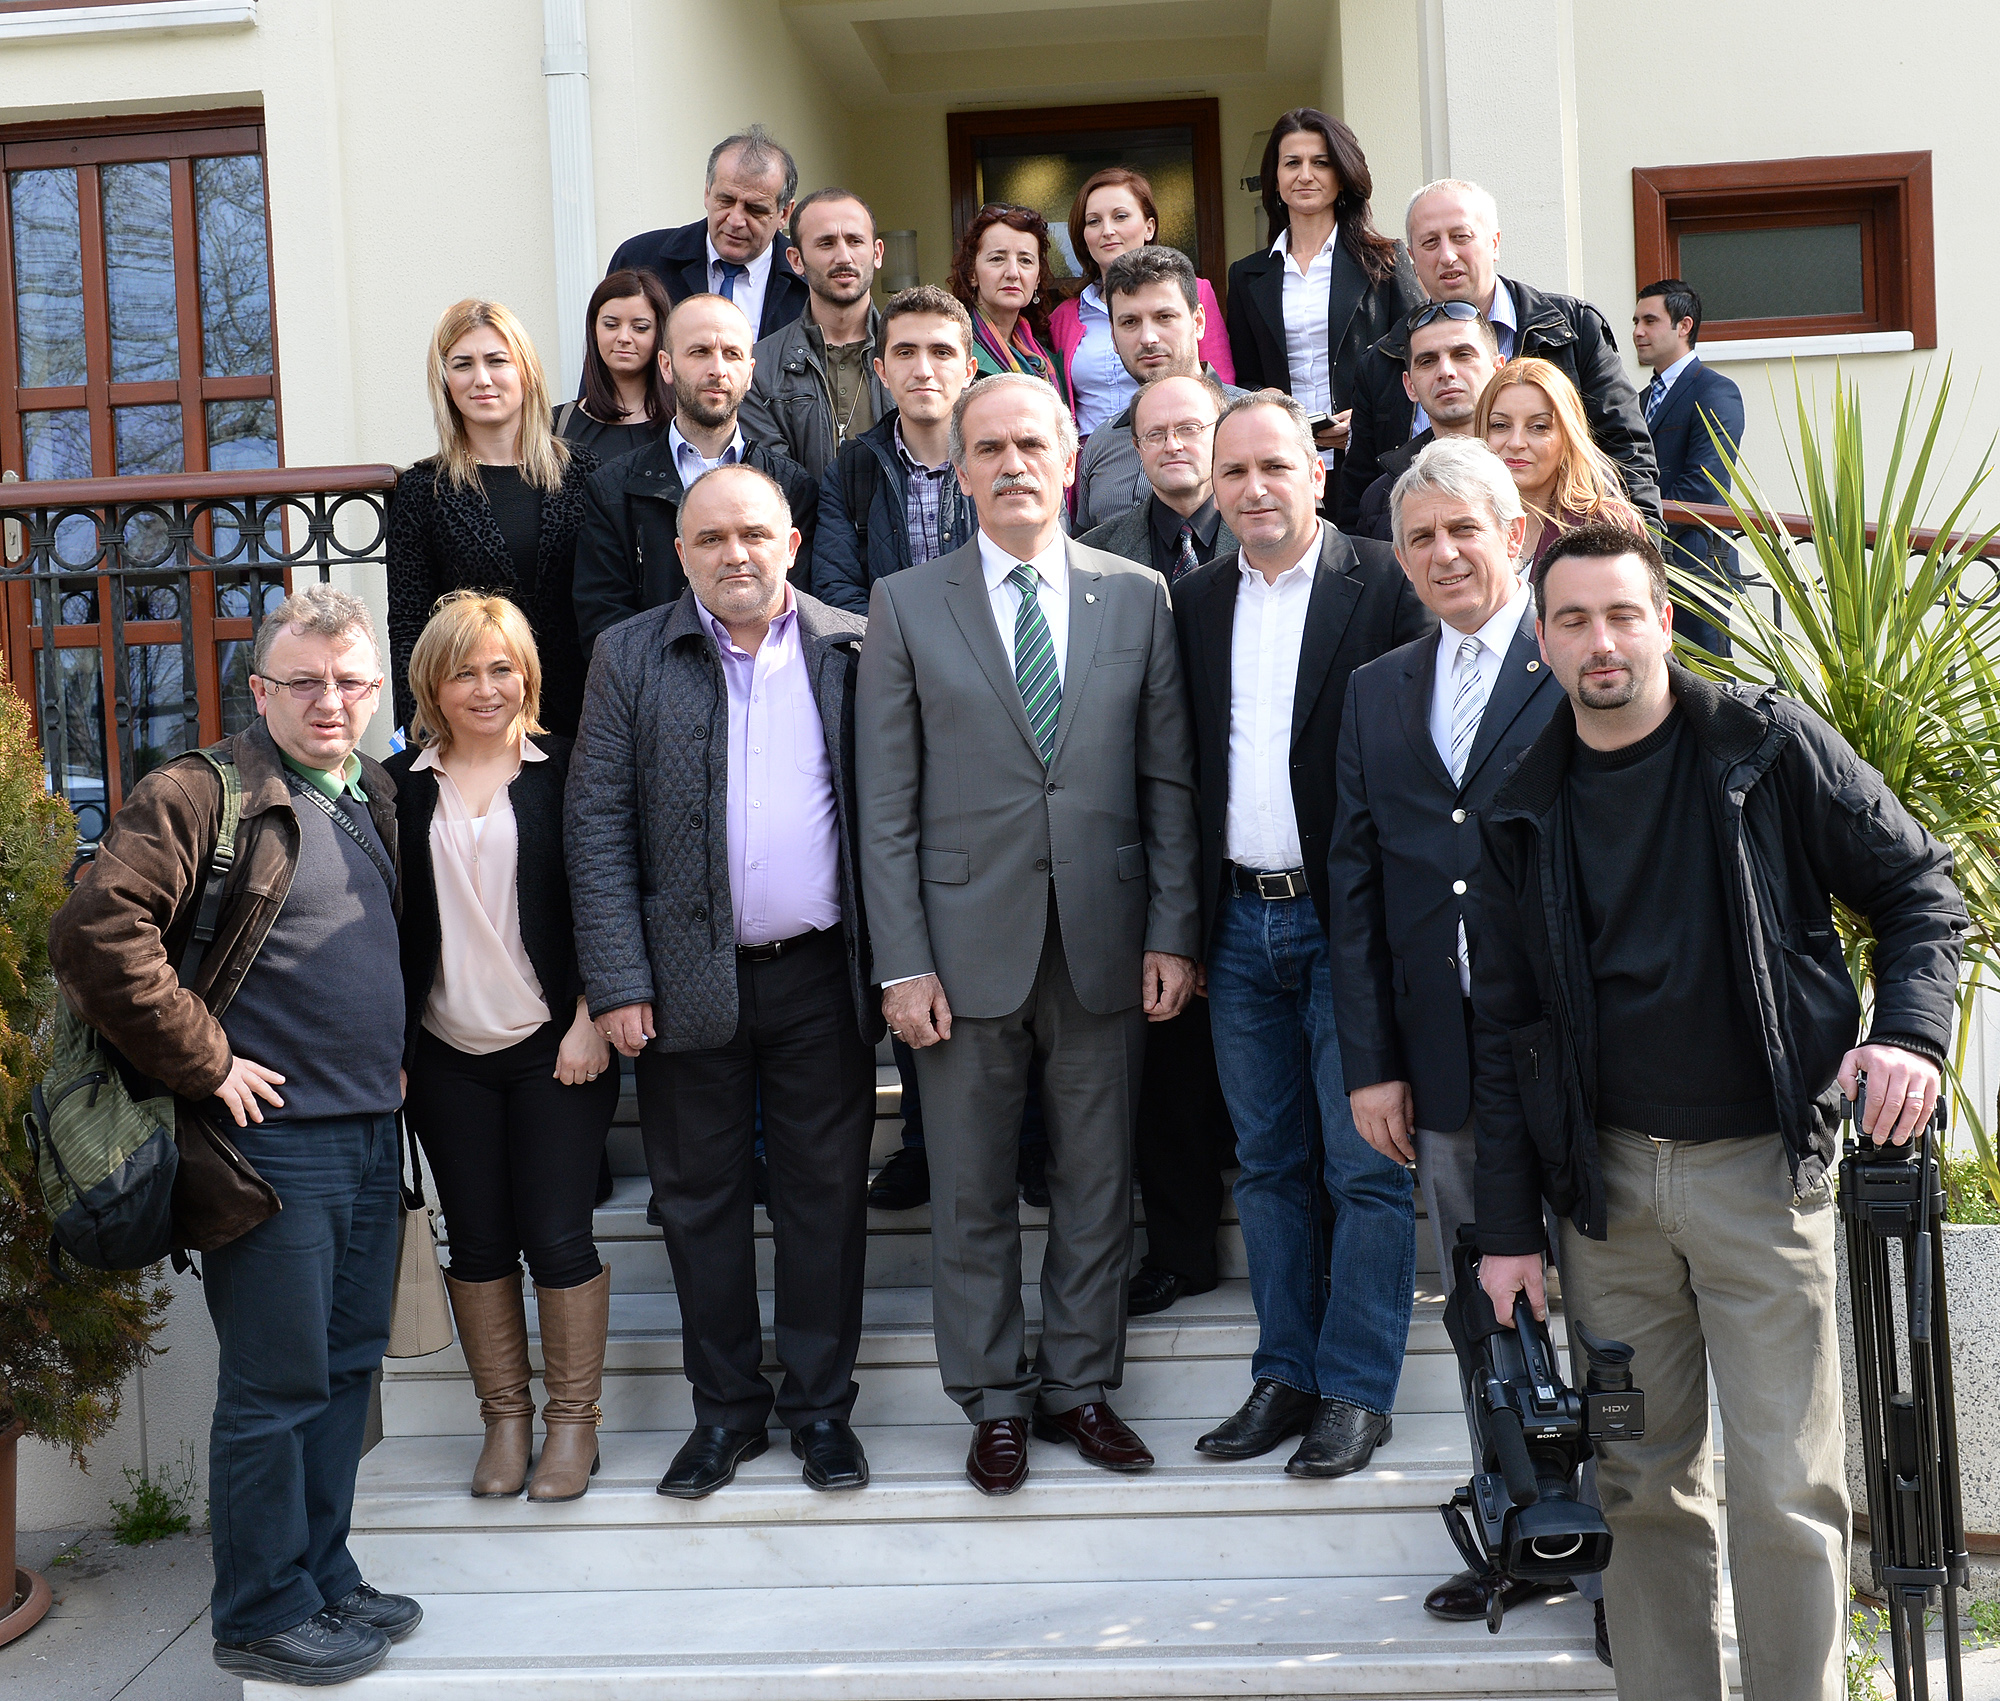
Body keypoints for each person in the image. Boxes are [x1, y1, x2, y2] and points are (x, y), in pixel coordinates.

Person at [1472, 523, 1966, 1701]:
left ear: (1662, 620)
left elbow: (1917, 889)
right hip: (1606, 1199)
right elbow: (1502, 1031)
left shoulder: (1765, 747)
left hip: (1758, 1174)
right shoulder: (1517, 804)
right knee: (1641, 1487)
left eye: (1621, 614)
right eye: (1573, 620)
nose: (1601, 640)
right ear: (1540, 640)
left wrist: (1905, 1034)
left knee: (1785, 1487)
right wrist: (1504, 1231)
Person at [49, 585, 417, 1686]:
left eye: (350, 681)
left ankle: (323, 1574)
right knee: (278, 1385)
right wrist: (207, 1060)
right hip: (270, 1150)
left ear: (373, 691)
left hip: (369, 1133)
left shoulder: (371, 794)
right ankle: (259, 1609)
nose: (330, 700)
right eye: (304, 682)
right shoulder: (200, 793)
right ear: (260, 690)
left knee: (345, 1372)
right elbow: (96, 931)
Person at [856, 371, 1202, 1495]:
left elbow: (1167, 780)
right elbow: (885, 806)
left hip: (1106, 939)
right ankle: (994, 1400)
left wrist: (1172, 930)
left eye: (1031, 446)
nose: (1012, 465)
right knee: (968, 1188)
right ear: (960, 471)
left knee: (1098, 1182)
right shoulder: (907, 602)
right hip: (959, 953)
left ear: (1069, 461)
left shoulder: (1137, 596)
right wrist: (902, 962)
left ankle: (1078, 1388)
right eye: (989, 449)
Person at [1325, 437, 1597, 1640]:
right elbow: (1354, 886)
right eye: (1419, 538)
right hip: (1436, 1065)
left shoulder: (1574, 658)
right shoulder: (1376, 687)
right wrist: (1370, 1063)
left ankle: (1628, 1566)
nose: (1441, 554)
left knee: (1601, 1320)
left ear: (1515, 536)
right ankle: (1519, 1534)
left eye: (1462, 531)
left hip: (1575, 1064)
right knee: (1483, 1322)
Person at [567, 462, 882, 1500]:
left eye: (753, 534)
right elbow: (596, 825)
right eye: (710, 538)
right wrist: (617, 980)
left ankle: (821, 1411)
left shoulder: (854, 646)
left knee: (823, 1201)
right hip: (681, 981)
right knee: (698, 1205)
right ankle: (724, 1415)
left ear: (791, 544)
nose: (733, 553)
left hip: (819, 976)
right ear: (680, 554)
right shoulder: (628, 654)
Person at [1173, 390, 1431, 1478]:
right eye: (1233, 472)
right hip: (1237, 922)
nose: (1254, 488)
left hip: (1347, 927)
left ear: (1316, 472)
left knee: (1364, 1164)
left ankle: (1356, 1388)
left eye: (1274, 466)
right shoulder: (1191, 601)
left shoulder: (1385, 582)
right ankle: (1283, 1371)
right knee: (1270, 1165)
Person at [386, 592, 618, 1506]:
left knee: (558, 1236)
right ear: (431, 685)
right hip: (445, 1052)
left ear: (527, 675)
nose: (486, 688)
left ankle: (574, 1424)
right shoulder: (397, 786)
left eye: (502, 668)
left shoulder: (570, 768)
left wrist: (594, 1012)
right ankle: (505, 1420)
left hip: (557, 1045)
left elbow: (610, 887)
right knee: (478, 1239)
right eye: (463, 672)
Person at [808, 284, 980, 1212]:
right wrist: (915, 653)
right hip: (892, 713)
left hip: (997, 712)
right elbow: (835, 593)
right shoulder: (855, 468)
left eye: (941, 352)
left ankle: (1027, 1136)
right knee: (909, 924)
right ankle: (921, 1139)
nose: (923, 369)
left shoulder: (996, 449)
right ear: (880, 368)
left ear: (968, 364)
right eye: (905, 352)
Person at [1075, 371, 1238, 1317]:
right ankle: (1180, 1246)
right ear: (1134, 450)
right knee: (1167, 1053)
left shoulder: (1264, 533)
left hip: (1251, 822)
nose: (1175, 444)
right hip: (1139, 827)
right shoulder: (1099, 554)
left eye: (1192, 428)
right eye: (1155, 433)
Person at [1338, 179, 1659, 532]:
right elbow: (1359, 502)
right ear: (1412, 258)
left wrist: (1643, 553)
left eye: (1461, 237)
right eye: (1430, 242)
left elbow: (1628, 456)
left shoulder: (1573, 328)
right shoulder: (1382, 360)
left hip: (1567, 544)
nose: (1447, 256)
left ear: (1494, 243)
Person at [387, 298, 597, 737]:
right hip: (478, 721)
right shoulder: (424, 490)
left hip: (585, 714)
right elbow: (410, 628)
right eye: (463, 364)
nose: (481, 378)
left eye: (497, 361)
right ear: (445, 382)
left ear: (525, 371)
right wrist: (421, 728)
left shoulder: (584, 474)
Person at [572, 293, 818, 652]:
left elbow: (802, 613)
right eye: (700, 352)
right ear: (666, 366)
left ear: (750, 372)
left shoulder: (792, 487)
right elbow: (604, 623)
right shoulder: (612, 489)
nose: (718, 369)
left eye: (731, 354)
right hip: (653, 684)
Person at [1224, 109, 1423, 474]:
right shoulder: (1246, 276)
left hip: (1371, 458)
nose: (1305, 175)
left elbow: (1417, 356)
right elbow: (1244, 374)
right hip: (1283, 461)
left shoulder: (1386, 261)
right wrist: (1263, 396)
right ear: (1275, 179)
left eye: (1320, 163)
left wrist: (1364, 415)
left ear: (1341, 177)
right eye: (1292, 163)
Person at [1048, 167, 1234, 438]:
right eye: (1094, 221)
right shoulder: (1064, 316)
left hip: (1174, 445)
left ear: (1149, 227)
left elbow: (1220, 382)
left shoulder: (1195, 291)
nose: (1107, 230)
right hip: (1093, 456)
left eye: (1120, 216)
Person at [1070, 245, 1246, 532]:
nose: (1148, 338)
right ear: (1113, 336)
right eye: (1130, 322)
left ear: (1198, 322)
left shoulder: (1256, 421)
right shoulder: (1100, 444)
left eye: (1164, 317)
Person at [740, 188, 892, 479]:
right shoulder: (758, 370)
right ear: (796, 260)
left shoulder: (913, 356)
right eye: (826, 243)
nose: (843, 257)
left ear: (877, 253)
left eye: (855, 241)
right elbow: (776, 483)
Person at [606, 125, 807, 340]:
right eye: (726, 201)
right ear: (707, 193)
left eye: (755, 209)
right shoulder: (640, 259)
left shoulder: (809, 278)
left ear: (784, 213)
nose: (735, 220)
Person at [1632, 277, 1744, 657]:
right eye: (1636, 322)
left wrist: (1641, 526)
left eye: (1650, 321)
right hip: (1644, 566)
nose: (1638, 332)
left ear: (1684, 326)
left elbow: (1705, 482)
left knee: (1706, 678)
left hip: (1696, 565)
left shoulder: (1715, 390)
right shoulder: (1639, 400)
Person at [1476, 356, 1644, 574]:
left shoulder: (1604, 525)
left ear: (1568, 436)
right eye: (1500, 425)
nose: (1516, 442)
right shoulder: (1456, 520)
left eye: (1539, 427)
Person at [1354, 301, 1501, 542]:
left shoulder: (1537, 469)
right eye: (1427, 361)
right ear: (1410, 386)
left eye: (1462, 355)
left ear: (1498, 369)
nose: (1446, 371)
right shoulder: (1380, 500)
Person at [948, 203, 1071, 405]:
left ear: (1037, 278)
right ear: (972, 274)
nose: (1013, 273)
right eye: (997, 258)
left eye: (1025, 261)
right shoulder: (951, 349)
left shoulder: (1047, 357)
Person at [559, 269, 674, 460]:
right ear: (594, 329)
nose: (624, 337)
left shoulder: (684, 425)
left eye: (640, 328)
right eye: (611, 325)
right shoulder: (558, 424)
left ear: (660, 333)